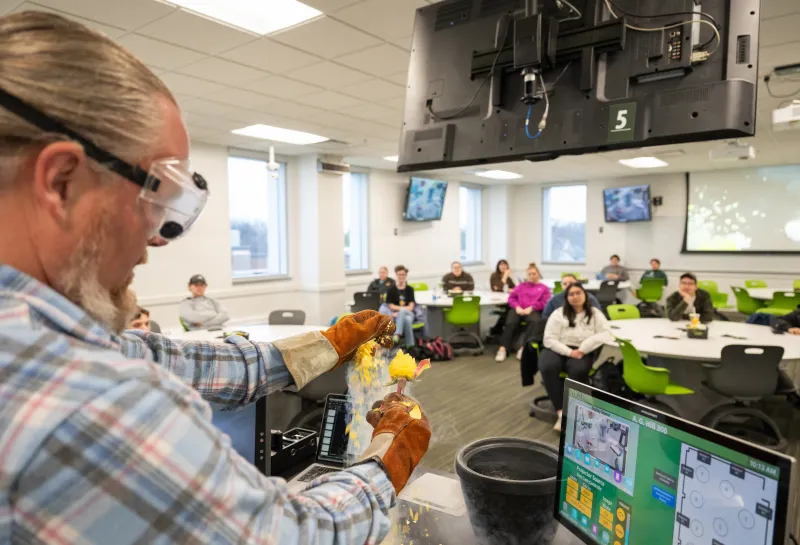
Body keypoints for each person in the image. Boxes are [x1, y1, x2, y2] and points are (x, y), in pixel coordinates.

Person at [0, 12, 430, 544]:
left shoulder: (30, 341)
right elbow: (288, 536)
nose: (155, 242)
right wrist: (386, 458)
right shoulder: (82, 402)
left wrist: (323, 346)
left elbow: (158, 358)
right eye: (156, 197)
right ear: (62, 181)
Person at [540, 283, 611, 431]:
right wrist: (569, 352)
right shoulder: (558, 313)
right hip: (558, 347)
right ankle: (561, 412)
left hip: (583, 350)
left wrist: (584, 347)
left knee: (578, 370)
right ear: (566, 298)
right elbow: (549, 339)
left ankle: (576, 411)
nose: (575, 296)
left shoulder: (595, 313)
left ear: (585, 295)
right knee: (548, 367)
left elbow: (605, 333)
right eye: (571, 294)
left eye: (578, 293)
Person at [495, 263, 551, 362]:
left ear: (538, 274)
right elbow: (511, 298)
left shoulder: (544, 288)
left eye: (534, 274)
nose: (532, 276)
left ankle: (523, 348)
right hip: (519, 309)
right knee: (510, 323)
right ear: (526, 275)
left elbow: (544, 302)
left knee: (535, 322)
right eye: (529, 274)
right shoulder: (521, 286)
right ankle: (503, 348)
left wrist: (532, 307)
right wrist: (516, 307)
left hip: (532, 310)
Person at [381, 265, 419, 347]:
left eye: (403, 275)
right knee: (407, 321)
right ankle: (410, 346)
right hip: (395, 315)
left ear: (406, 276)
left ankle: (397, 334)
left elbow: (411, 307)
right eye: (399, 274)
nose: (401, 276)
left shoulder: (410, 289)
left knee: (403, 314)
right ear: (396, 275)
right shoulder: (391, 290)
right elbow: (391, 306)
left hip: (409, 314)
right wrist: (402, 310)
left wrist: (400, 311)